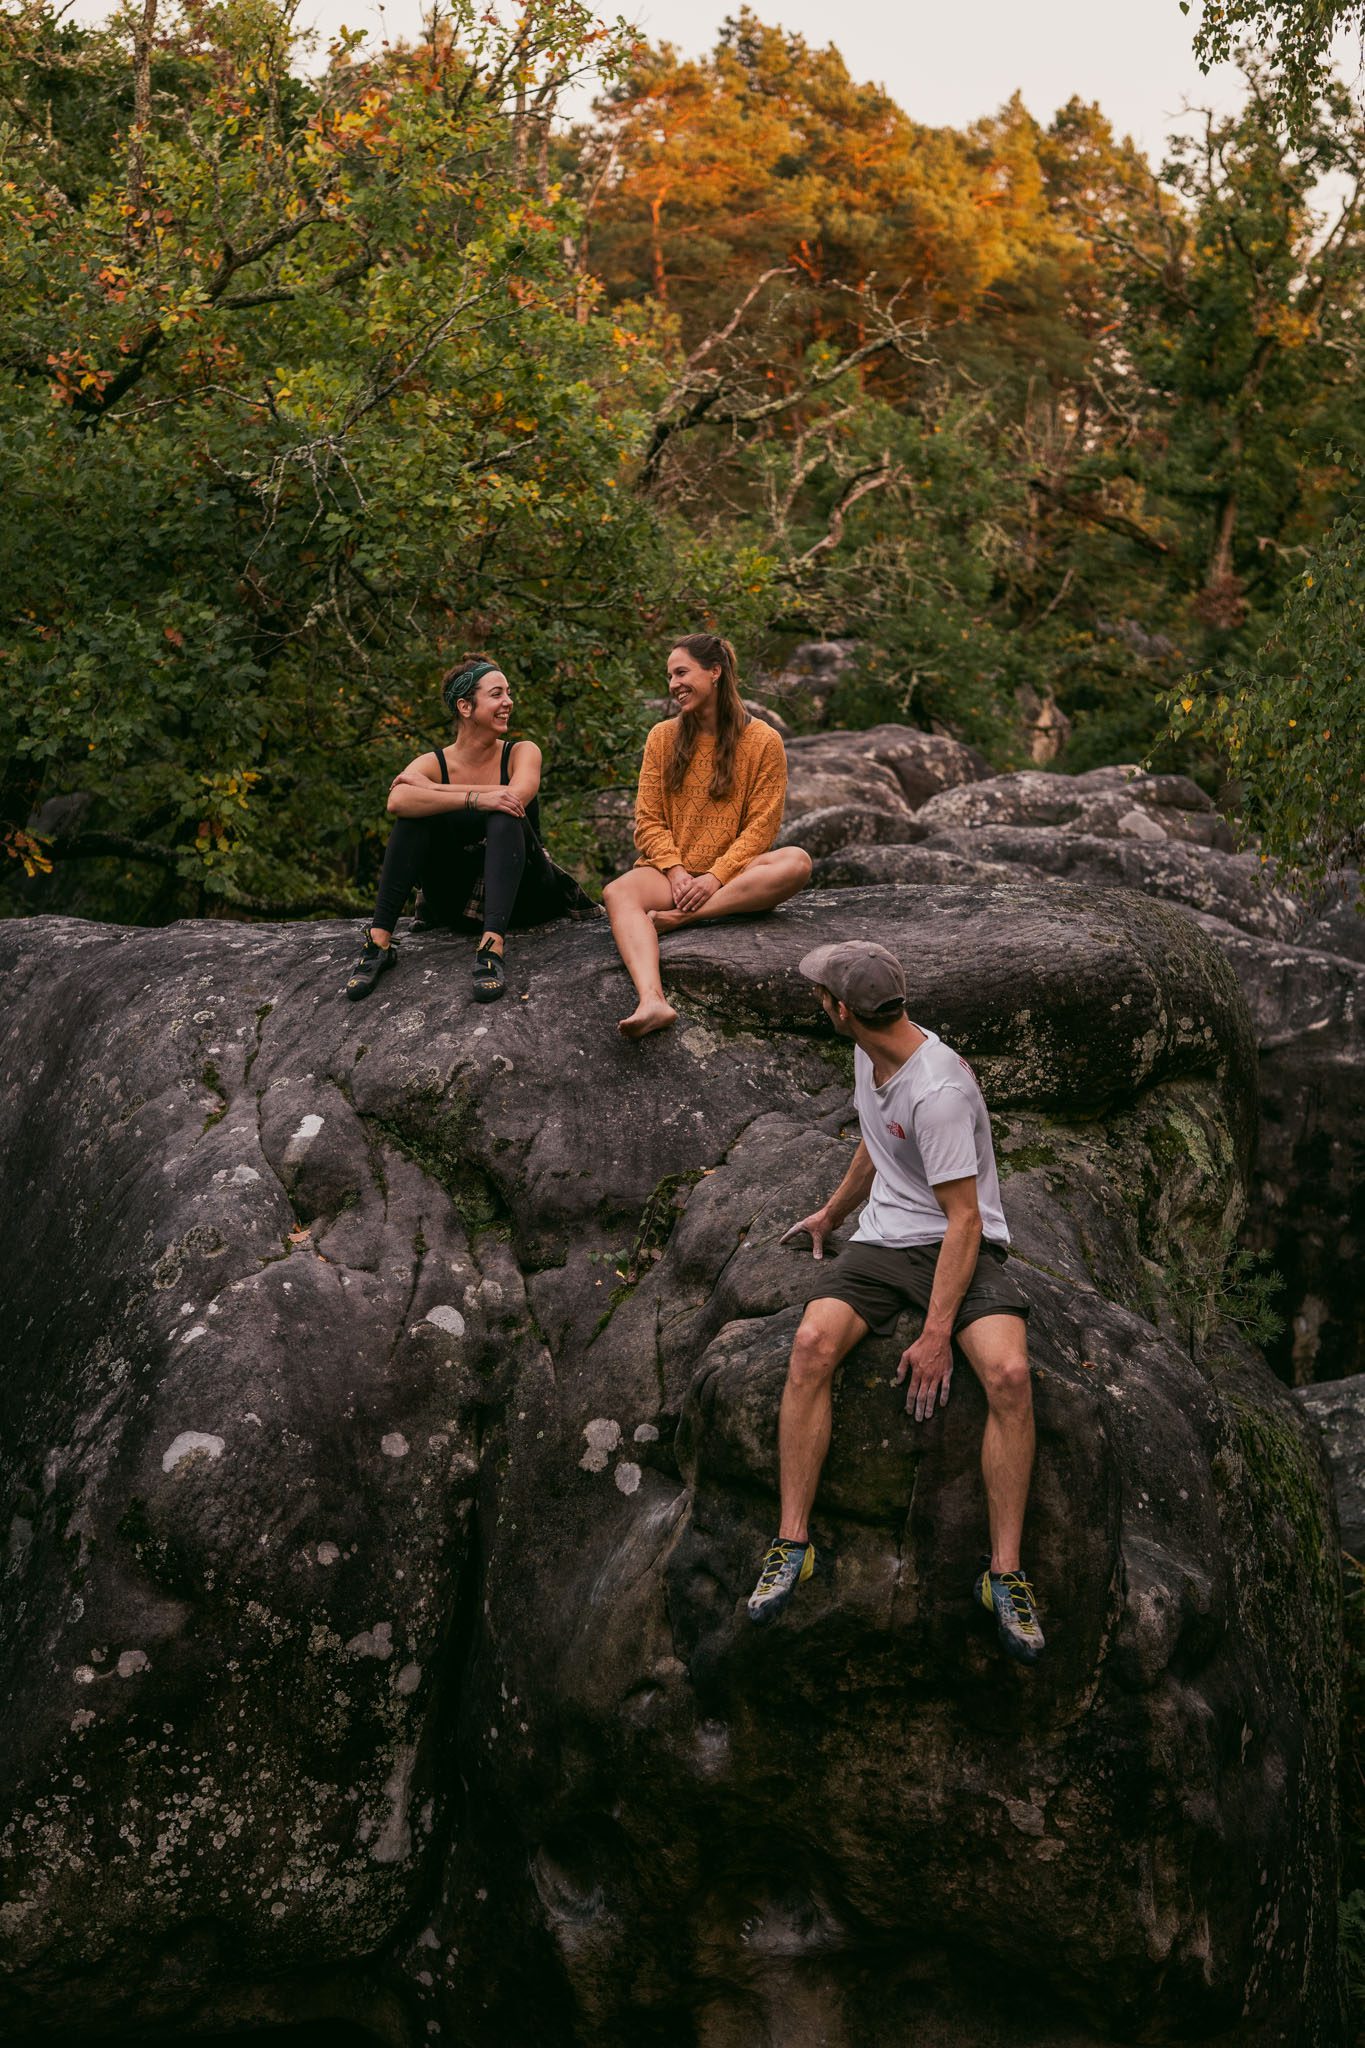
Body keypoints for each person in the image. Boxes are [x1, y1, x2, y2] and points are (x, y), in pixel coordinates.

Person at [746, 940, 1045, 1664]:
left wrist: (937, 1333)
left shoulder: (937, 1092)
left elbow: (965, 1221)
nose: (819, 1004)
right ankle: (792, 1544)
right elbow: (876, 1141)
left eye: (822, 996)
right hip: (882, 1241)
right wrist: (830, 1214)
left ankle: (1004, 1574)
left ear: (842, 1010)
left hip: (956, 1244)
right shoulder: (873, 1050)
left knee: (1007, 1377)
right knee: (811, 1346)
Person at [345, 655, 595, 1004]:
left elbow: (514, 796)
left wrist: (436, 790)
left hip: (525, 896)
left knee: (505, 812)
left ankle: (491, 948)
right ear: (465, 706)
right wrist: (473, 798)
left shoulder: (522, 753)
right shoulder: (435, 763)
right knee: (413, 818)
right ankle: (379, 942)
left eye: (508, 693)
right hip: (456, 902)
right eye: (496, 694)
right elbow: (397, 801)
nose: (508, 702)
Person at [602, 634, 812, 1039]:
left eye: (682, 672)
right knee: (617, 893)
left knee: (797, 861)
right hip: (672, 876)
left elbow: (762, 827)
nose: (673, 684)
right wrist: (678, 872)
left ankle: (684, 919)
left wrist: (714, 878)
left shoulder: (764, 741)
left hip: (733, 878)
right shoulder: (662, 737)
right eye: (669, 676)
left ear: (715, 672)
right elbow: (646, 820)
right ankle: (652, 1000)